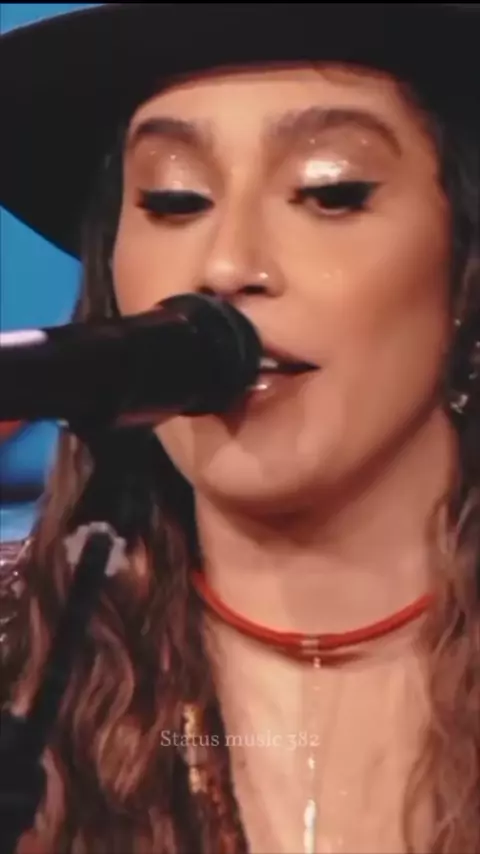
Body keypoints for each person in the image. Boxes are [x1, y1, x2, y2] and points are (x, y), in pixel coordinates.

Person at [0, 3, 479, 853]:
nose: (225, 266)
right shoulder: (16, 658)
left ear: (464, 270)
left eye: (330, 192)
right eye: (175, 200)